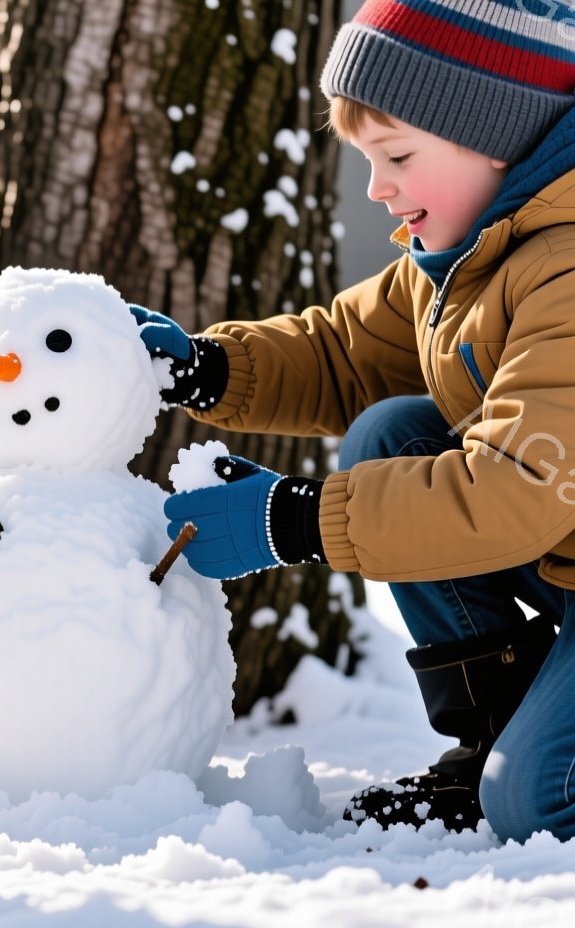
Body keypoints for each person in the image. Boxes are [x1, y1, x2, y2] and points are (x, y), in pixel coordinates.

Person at [140, 1, 575, 841]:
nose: (378, 187)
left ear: (495, 134)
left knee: (537, 803)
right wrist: (202, 367)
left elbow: (517, 488)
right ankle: (490, 738)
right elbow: (342, 351)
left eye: (398, 156)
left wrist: (299, 521)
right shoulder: (468, 252)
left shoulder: (564, 267)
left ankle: (521, 768)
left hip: (542, 516)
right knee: (393, 432)